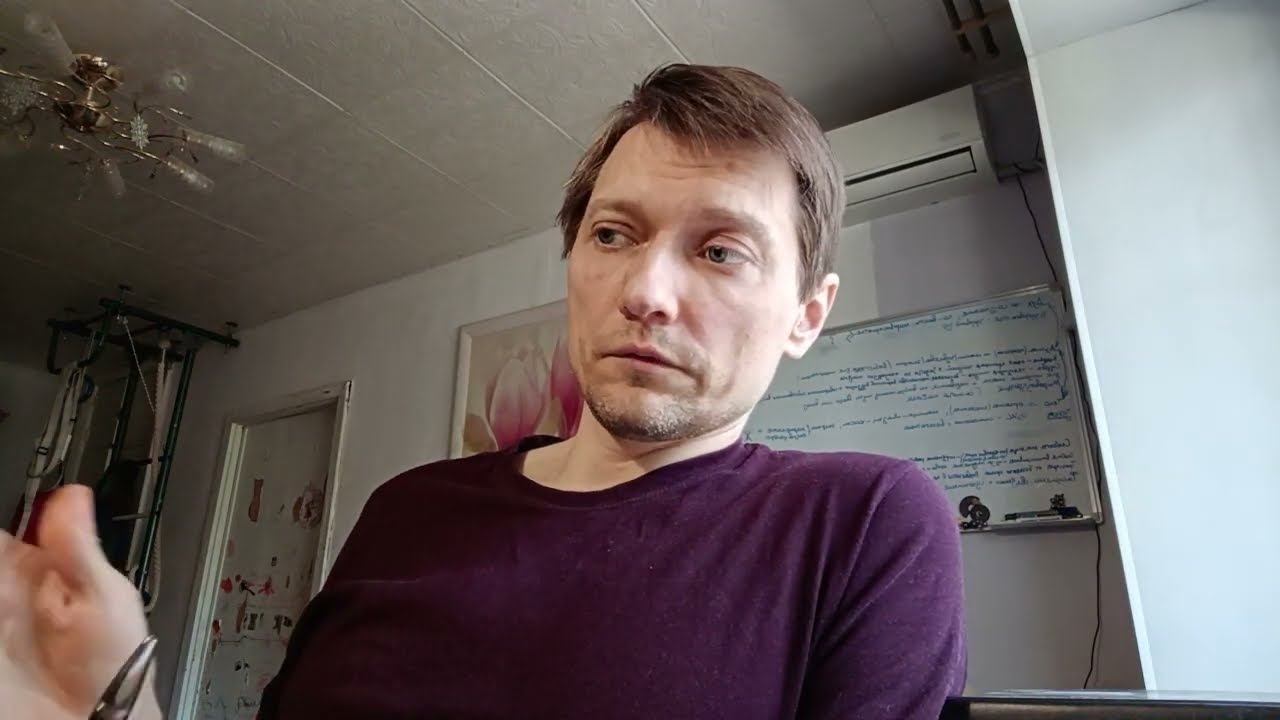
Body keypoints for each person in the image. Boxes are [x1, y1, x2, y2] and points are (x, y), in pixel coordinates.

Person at [1, 64, 964, 719]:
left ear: (807, 315)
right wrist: (116, 699)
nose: (645, 292)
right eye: (613, 234)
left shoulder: (862, 522)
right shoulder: (407, 509)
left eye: (721, 251)